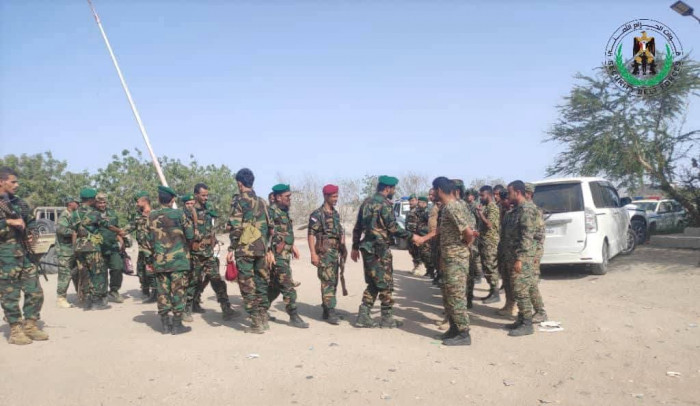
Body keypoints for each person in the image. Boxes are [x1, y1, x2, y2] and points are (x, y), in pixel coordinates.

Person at [351, 175, 418, 329]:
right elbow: (393, 228)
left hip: (367, 249)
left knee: (374, 282)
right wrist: (412, 236)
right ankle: (386, 318)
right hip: (379, 250)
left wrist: (355, 247)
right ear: (387, 188)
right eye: (393, 189)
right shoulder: (385, 204)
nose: (394, 191)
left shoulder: (366, 203)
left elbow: (357, 227)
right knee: (386, 283)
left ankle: (363, 315)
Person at [417, 177, 475, 346]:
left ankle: (463, 333)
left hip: (456, 259)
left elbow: (468, 232)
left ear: (440, 190)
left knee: (456, 295)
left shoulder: (453, 207)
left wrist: (464, 246)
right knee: (449, 294)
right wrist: (424, 238)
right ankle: (454, 329)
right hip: (449, 258)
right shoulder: (449, 207)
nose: (432, 193)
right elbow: (443, 229)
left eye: (434, 190)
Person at [0, 166, 48, 345]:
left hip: (25, 252)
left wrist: (31, 232)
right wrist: (8, 222)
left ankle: (30, 325)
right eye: (13, 182)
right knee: (10, 294)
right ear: (1, 182)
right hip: (5, 255)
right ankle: (15, 330)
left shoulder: (18, 202)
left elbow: (31, 221)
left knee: (35, 291)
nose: (17, 185)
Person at [226, 168, 275, 334]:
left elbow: (235, 227)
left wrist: (232, 247)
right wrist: (267, 248)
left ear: (240, 184)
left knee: (247, 285)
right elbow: (271, 227)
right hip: (261, 249)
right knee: (261, 283)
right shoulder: (263, 202)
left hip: (245, 250)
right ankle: (263, 318)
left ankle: (255, 322)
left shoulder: (238, 202)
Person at [146, 186, 195, 335]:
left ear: (158, 199)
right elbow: (190, 235)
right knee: (178, 291)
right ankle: (177, 324)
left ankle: (165, 325)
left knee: (162, 292)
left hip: (160, 260)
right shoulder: (180, 214)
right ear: (172, 199)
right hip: (179, 261)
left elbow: (147, 239)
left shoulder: (151, 216)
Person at [186, 185, 238, 322]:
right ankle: (187, 308)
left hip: (209, 254)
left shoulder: (208, 210)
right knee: (193, 281)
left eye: (207, 195)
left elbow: (210, 229)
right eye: (203, 195)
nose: (206, 198)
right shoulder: (190, 212)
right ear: (196, 195)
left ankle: (226, 308)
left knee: (217, 281)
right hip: (196, 254)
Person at [267, 184, 308, 328]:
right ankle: (293, 315)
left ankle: (261, 310)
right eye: (287, 196)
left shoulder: (283, 211)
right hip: (276, 256)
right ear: (278, 197)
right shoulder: (271, 212)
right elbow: (264, 233)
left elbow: (284, 232)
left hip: (284, 254)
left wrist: (292, 245)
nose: (290, 199)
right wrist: (268, 251)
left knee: (275, 287)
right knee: (287, 285)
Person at [503, 180, 539, 337]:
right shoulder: (517, 210)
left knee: (521, 290)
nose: (507, 195)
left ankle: (527, 324)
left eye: (509, 192)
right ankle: (521, 319)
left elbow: (527, 236)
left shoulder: (527, 209)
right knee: (517, 290)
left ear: (517, 192)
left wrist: (520, 259)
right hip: (513, 256)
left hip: (521, 258)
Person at [308, 184, 346, 325]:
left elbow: (338, 232)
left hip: (334, 252)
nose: (336, 199)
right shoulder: (317, 214)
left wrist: (342, 247)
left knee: (333, 281)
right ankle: (330, 311)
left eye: (337, 196)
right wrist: (313, 254)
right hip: (324, 253)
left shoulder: (335, 214)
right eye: (333, 196)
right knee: (327, 281)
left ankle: (327, 309)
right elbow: (310, 234)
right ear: (326, 196)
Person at [71, 188, 111, 310]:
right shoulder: (95, 213)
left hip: (79, 247)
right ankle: (96, 301)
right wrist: (120, 231)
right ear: (91, 200)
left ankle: (87, 300)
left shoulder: (75, 213)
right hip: (92, 247)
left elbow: (74, 232)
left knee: (84, 273)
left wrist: (74, 248)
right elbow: (106, 225)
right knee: (97, 273)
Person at [124, 191, 157, 303]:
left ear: (144, 201)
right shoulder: (138, 215)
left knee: (151, 271)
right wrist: (117, 231)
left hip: (151, 249)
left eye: (138, 201)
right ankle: (145, 291)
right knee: (141, 271)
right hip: (142, 249)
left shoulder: (154, 214)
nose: (136, 204)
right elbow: (129, 228)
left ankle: (155, 293)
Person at [95, 193, 126, 304]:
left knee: (117, 268)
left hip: (113, 246)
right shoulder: (92, 214)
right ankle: (102, 294)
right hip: (99, 247)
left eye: (104, 202)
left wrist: (121, 241)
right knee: (101, 272)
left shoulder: (112, 213)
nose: (102, 205)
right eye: (100, 203)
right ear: (96, 203)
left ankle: (114, 290)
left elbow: (117, 229)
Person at [525, 183, 547, 323]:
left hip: (533, 251)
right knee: (525, 282)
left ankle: (540, 312)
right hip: (528, 250)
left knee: (532, 281)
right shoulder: (524, 210)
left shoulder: (534, 211)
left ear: (529, 194)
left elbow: (537, 235)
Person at [476, 185, 501, 304]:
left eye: (482, 195)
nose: (481, 198)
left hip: (491, 243)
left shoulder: (493, 207)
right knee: (486, 267)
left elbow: (490, 224)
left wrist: (481, 214)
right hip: (484, 242)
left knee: (491, 267)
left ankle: (496, 293)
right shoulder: (486, 207)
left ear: (489, 195)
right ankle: (492, 291)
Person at [55, 196, 80, 308]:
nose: (78, 204)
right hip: (65, 250)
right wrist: (76, 232)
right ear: (70, 204)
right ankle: (61, 298)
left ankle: (80, 294)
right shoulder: (64, 215)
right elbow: (61, 230)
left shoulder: (74, 215)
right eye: (76, 202)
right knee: (65, 274)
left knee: (76, 272)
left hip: (73, 249)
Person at [415, 196, 434, 278]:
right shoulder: (418, 211)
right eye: (418, 202)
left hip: (426, 236)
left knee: (427, 254)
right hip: (420, 235)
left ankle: (431, 271)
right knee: (422, 254)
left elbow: (431, 223)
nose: (418, 203)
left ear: (424, 203)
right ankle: (428, 270)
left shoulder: (428, 211)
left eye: (420, 202)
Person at [405, 194, 423, 275]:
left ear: (416, 201)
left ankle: (418, 268)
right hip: (409, 234)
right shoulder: (409, 211)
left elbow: (421, 223)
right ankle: (415, 266)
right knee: (411, 251)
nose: (410, 202)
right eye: (410, 201)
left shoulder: (418, 211)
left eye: (412, 200)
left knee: (417, 250)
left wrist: (419, 234)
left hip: (416, 234)